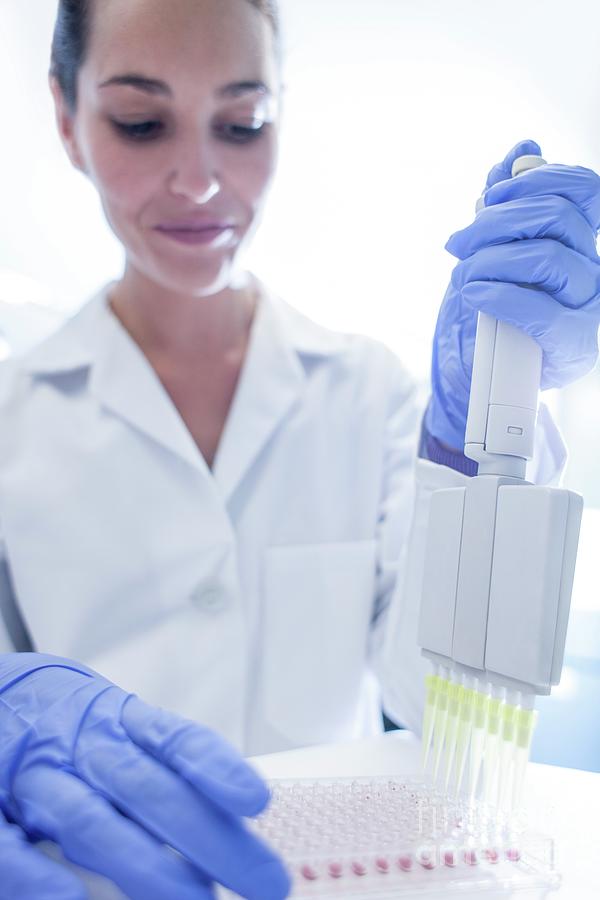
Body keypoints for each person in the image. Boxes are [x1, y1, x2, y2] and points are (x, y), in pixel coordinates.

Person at [1, 0, 599, 897]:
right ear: (66, 119)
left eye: (242, 124)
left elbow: (450, 712)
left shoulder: (372, 395)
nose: (199, 181)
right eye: (140, 121)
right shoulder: (14, 410)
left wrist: (477, 428)